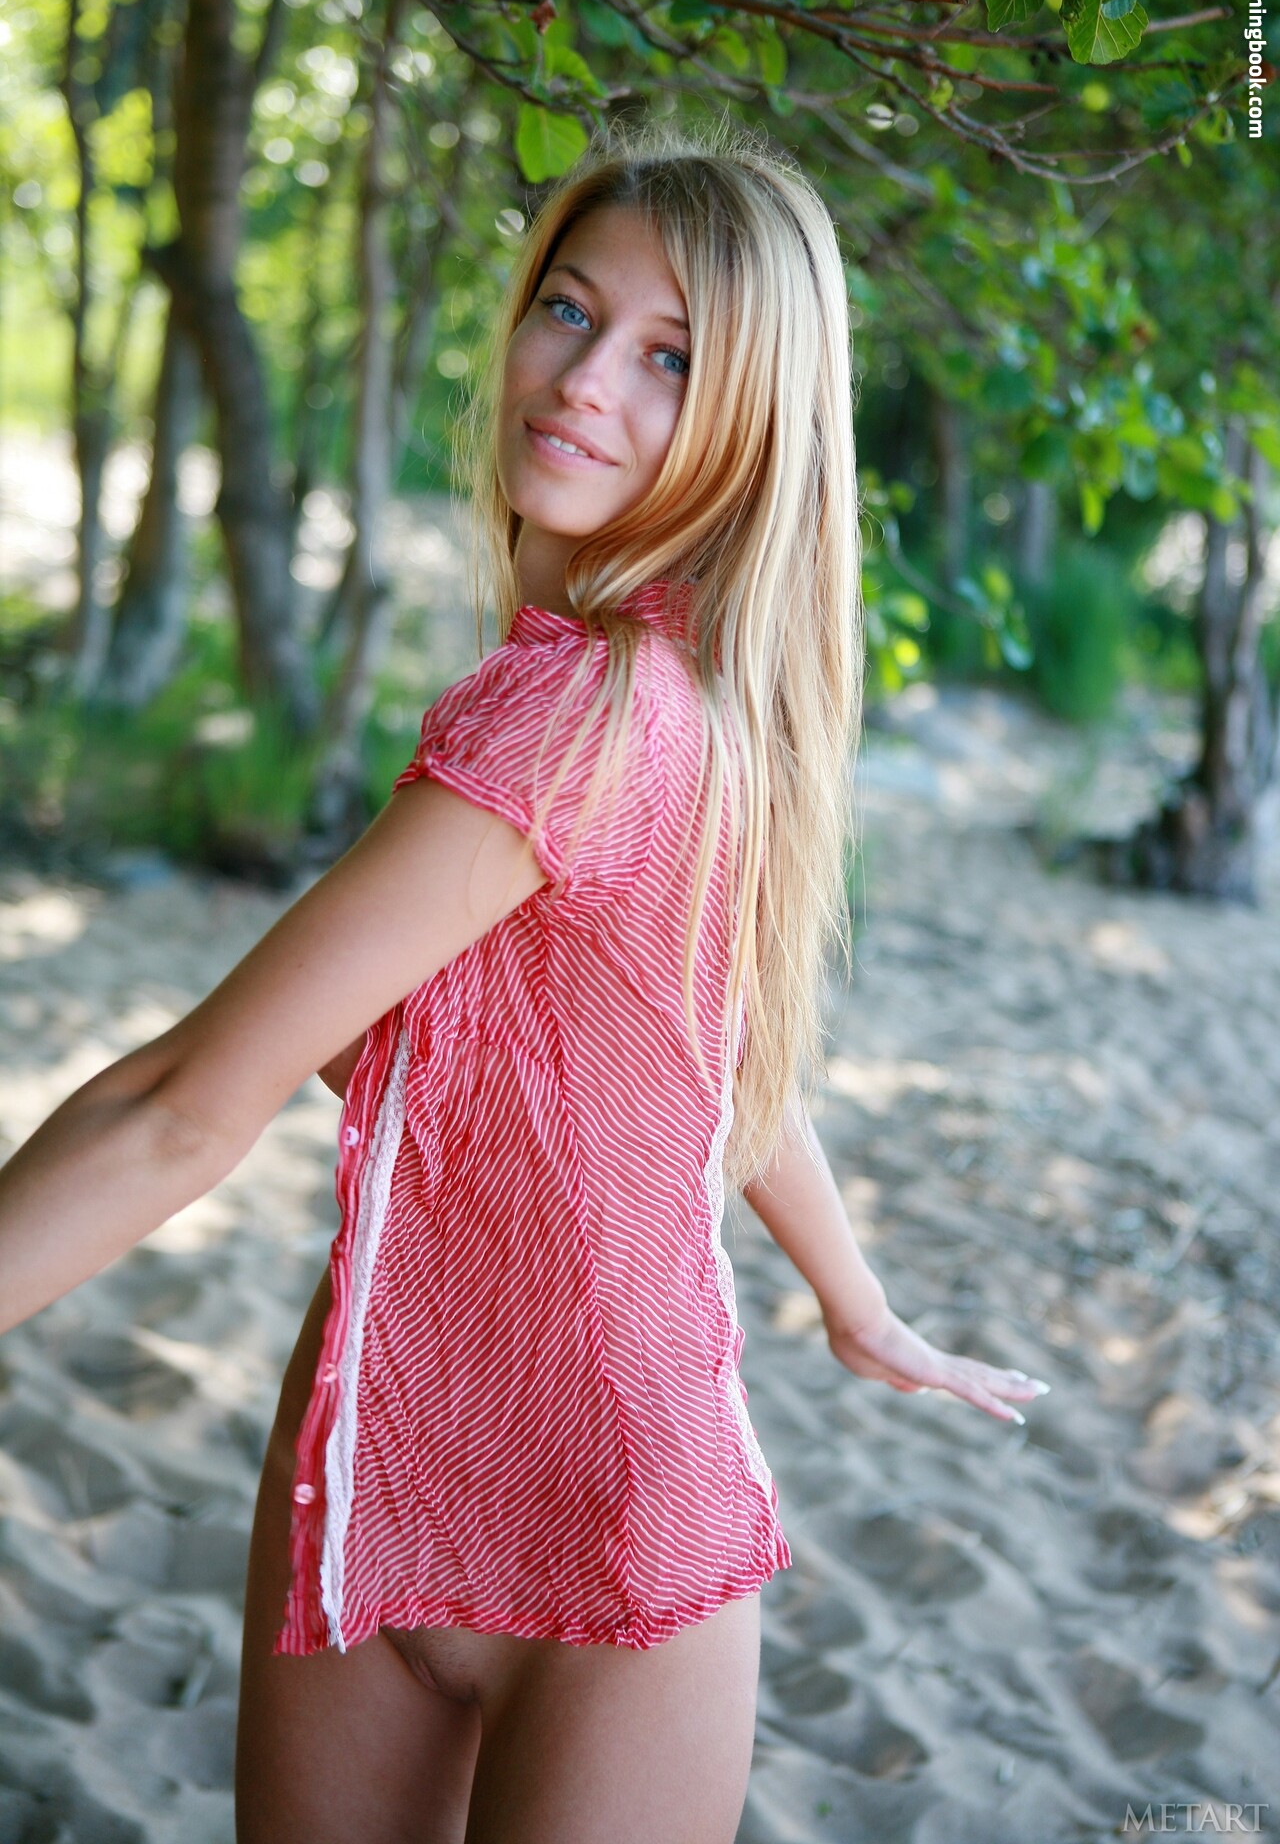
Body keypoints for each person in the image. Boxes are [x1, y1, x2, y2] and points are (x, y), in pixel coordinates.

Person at [0, 124, 1049, 1844]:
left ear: (756, 418)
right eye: (569, 308)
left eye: (671, 358)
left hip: (605, 1518)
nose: (583, 381)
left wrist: (854, 1296)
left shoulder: (584, 714)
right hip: (383, 1454)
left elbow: (184, 1106)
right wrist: (855, 1301)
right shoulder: (685, 697)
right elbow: (700, 1059)